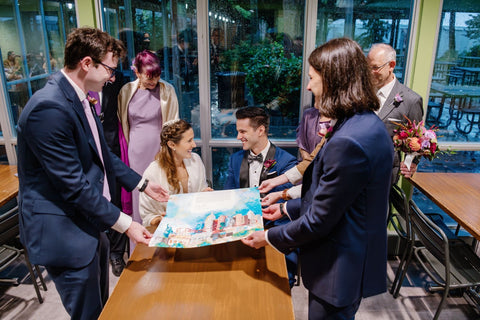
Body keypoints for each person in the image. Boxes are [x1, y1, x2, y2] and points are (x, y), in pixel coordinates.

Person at [16, 27, 169, 320]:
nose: (112, 77)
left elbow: (102, 155)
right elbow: (72, 185)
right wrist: (126, 223)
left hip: (89, 222)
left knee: (101, 308)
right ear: (87, 63)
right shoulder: (48, 108)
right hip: (64, 231)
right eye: (110, 69)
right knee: (87, 314)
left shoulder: (82, 97)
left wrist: (142, 184)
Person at [242, 38, 394, 319]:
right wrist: (286, 208)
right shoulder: (367, 124)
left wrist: (267, 236)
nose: (309, 86)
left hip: (339, 267)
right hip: (353, 257)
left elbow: (321, 220)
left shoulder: (349, 140)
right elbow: (340, 199)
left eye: (312, 78)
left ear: (334, 80)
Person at [224, 106, 298, 287]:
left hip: (274, 236)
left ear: (260, 130)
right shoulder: (235, 160)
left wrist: (266, 236)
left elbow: (286, 210)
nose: (238, 137)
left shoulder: (286, 162)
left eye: (243, 131)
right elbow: (229, 198)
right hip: (242, 234)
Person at [117, 50, 179, 234]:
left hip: (160, 150)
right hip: (135, 151)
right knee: (138, 193)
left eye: (157, 76)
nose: (153, 81)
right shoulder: (126, 91)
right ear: (136, 72)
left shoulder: (167, 90)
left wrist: (169, 151)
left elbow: (173, 123)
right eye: (149, 76)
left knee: (161, 191)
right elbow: (123, 122)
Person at [88, 69, 128, 277]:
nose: (111, 78)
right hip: (87, 159)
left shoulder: (118, 80)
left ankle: (116, 253)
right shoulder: (72, 95)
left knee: (115, 201)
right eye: (108, 70)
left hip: (112, 147)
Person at [367, 43, 423, 183]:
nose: (369, 72)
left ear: (391, 65)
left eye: (375, 68)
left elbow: (418, 138)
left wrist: (412, 162)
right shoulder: (361, 93)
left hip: (385, 175)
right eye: (367, 67)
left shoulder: (411, 100)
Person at [140, 119, 212, 227]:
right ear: (172, 144)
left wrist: (204, 195)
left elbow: (200, 193)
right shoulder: (152, 172)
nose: (194, 145)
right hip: (169, 232)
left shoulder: (195, 160)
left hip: (197, 226)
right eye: (189, 141)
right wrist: (161, 220)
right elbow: (148, 216)